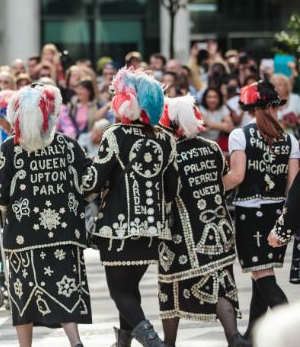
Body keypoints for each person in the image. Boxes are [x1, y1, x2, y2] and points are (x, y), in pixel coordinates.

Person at [81, 67, 179, 347]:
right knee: (130, 288)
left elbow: (93, 181)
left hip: (118, 229)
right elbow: (173, 189)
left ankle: (152, 342)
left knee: (119, 292)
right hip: (154, 230)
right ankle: (123, 342)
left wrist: (80, 178)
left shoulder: (116, 134)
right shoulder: (166, 138)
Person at [0, 83, 92, 347]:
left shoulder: (11, 147)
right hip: (65, 233)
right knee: (65, 289)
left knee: (23, 294)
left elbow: (0, 191)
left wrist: (0, 203)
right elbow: (89, 182)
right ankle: (75, 342)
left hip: (24, 235)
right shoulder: (69, 145)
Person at [158, 95, 250, 347]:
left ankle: (169, 343)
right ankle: (234, 337)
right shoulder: (211, 148)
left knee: (170, 286)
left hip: (183, 234)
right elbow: (223, 180)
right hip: (219, 229)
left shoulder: (169, 154)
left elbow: (166, 192)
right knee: (220, 283)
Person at [224, 80, 299, 339]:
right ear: (275, 108)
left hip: (249, 214)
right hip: (278, 216)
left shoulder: (239, 135)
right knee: (262, 274)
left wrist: (212, 188)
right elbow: (293, 188)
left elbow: (236, 176)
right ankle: (251, 337)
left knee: (263, 276)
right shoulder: (291, 140)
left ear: (252, 109)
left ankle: (292, 335)